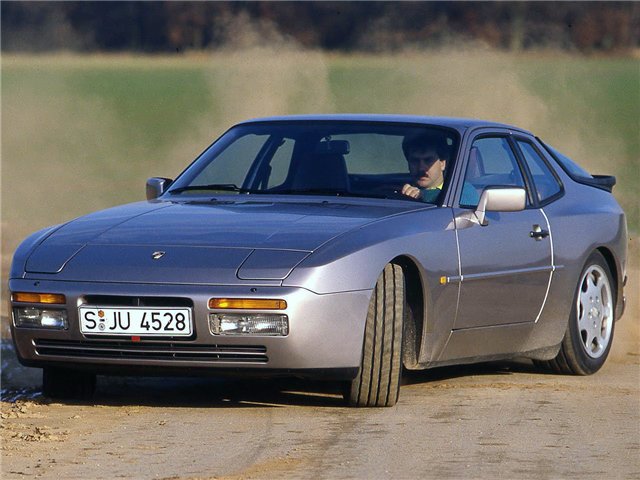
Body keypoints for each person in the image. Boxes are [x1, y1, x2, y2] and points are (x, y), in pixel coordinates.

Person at [401, 134, 449, 203]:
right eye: (415, 160)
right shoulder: (398, 191)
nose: (421, 168)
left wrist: (423, 195)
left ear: (442, 164)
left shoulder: (460, 190)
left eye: (428, 160)